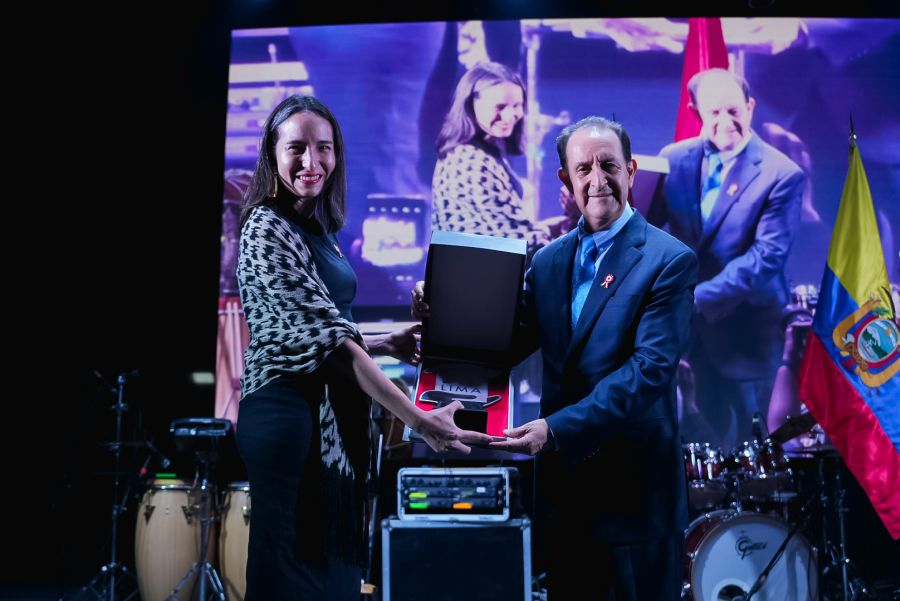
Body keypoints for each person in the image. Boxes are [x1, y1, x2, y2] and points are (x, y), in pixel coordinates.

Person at [418, 116, 698, 599]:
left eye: (609, 165)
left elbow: (647, 373)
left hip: (634, 500)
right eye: (583, 168)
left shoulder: (668, 259)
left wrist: (557, 428)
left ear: (631, 171)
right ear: (566, 182)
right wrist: (441, 311)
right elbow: (501, 344)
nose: (598, 179)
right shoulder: (546, 261)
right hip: (565, 500)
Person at [235, 94, 490, 601]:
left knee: (330, 578)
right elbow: (328, 342)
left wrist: (385, 340)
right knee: (291, 577)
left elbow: (324, 326)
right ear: (272, 154)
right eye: (297, 148)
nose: (312, 161)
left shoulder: (319, 229)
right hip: (288, 419)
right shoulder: (267, 227)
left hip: (322, 421)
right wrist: (418, 420)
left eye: (324, 147)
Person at [648, 68, 805, 451]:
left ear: (750, 107)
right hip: (688, 343)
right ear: (695, 110)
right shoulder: (673, 160)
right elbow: (646, 231)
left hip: (748, 336)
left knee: (762, 453)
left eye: (734, 110)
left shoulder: (782, 174)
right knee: (701, 451)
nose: (725, 122)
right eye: (714, 112)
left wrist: (693, 299)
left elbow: (765, 259)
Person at [431, 61, 566, 257]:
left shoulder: (484, 151)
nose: (511, 115)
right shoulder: (470, 161)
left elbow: (497, 229)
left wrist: (554, 228)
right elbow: (520, 244)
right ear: (471, 105)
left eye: (517, 105)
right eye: (500, 106)